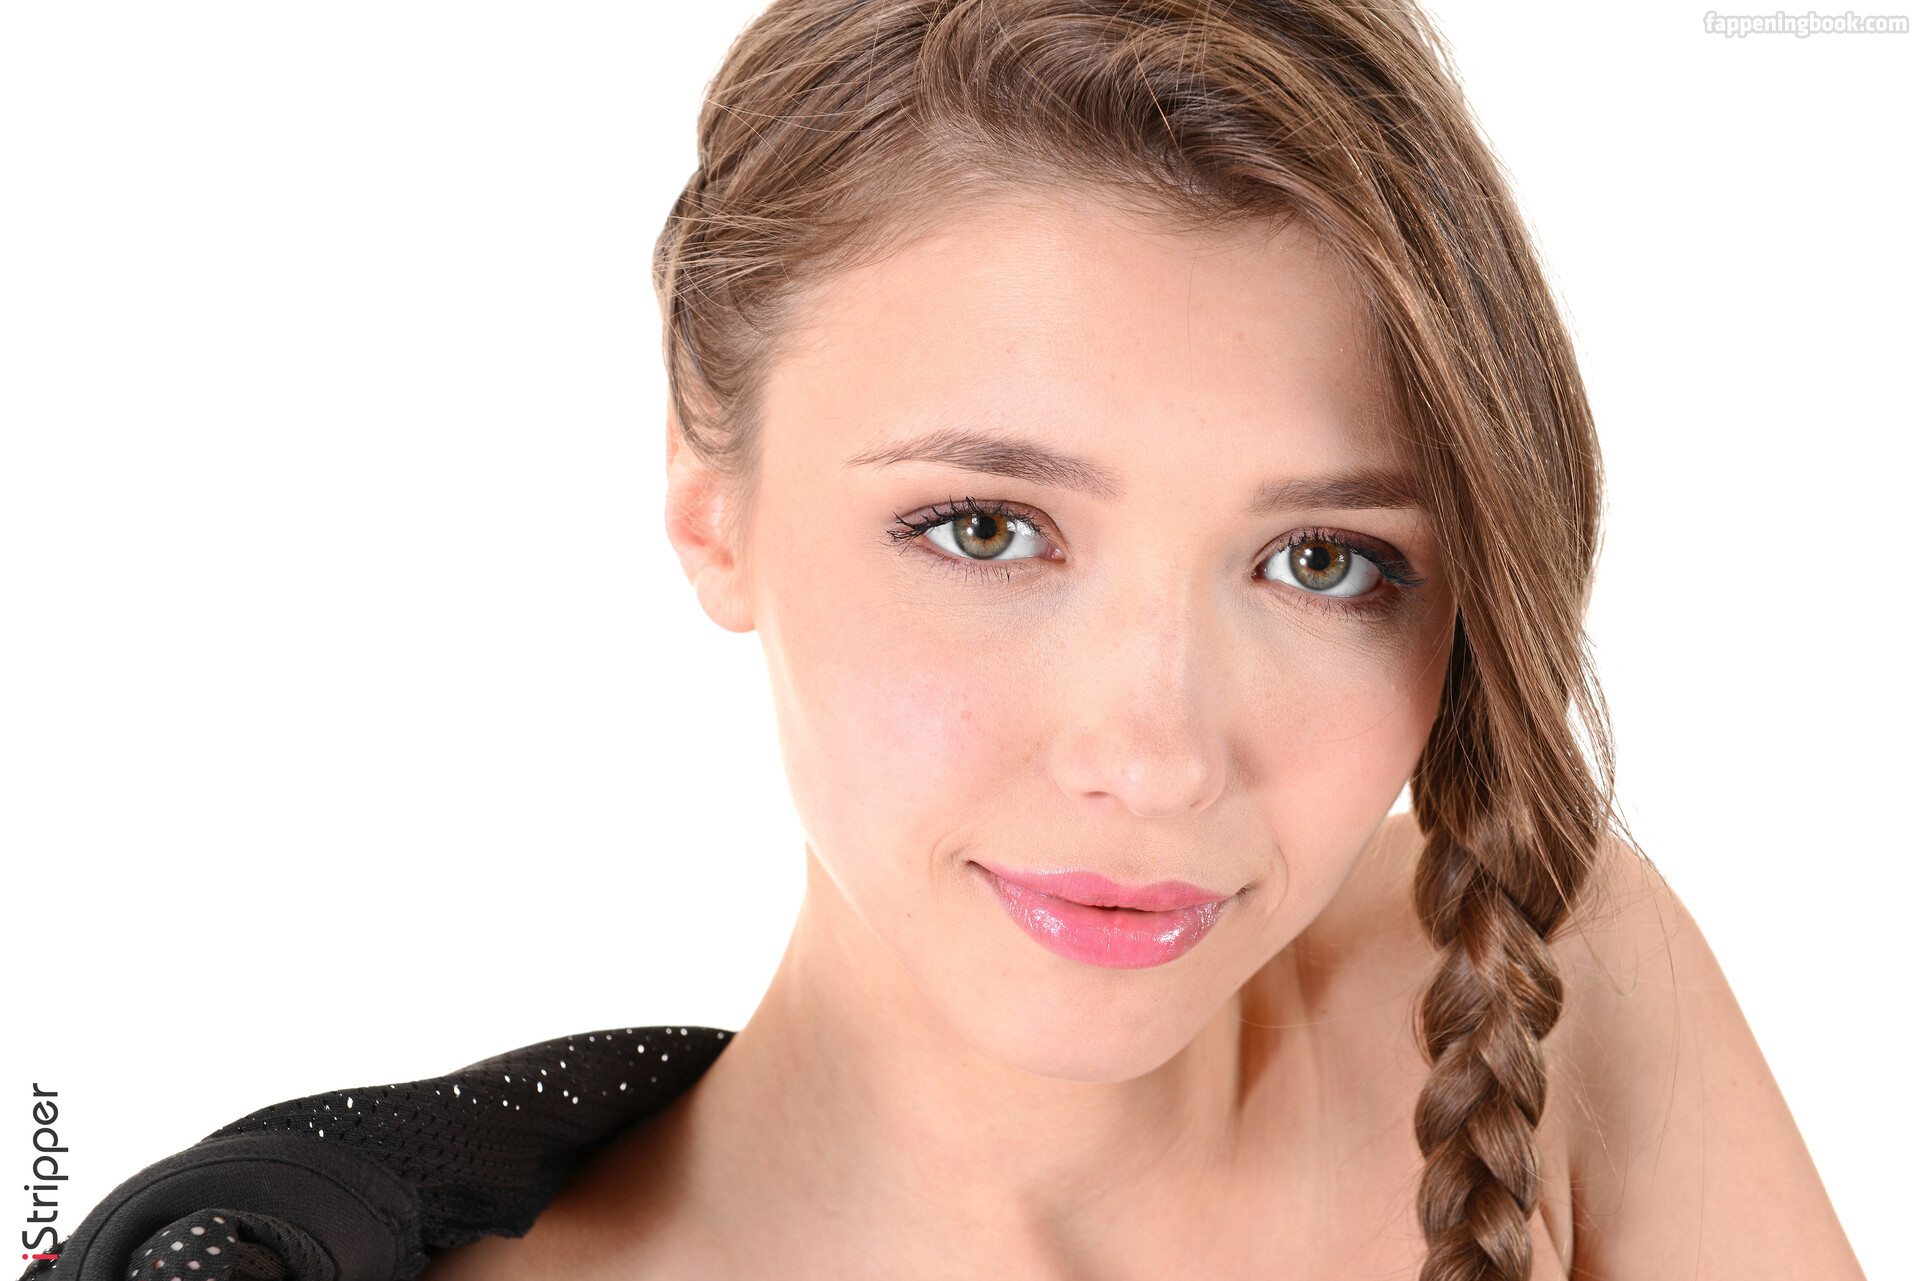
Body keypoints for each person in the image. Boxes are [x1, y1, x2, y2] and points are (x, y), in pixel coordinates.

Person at [33, 2, 1862, 1279]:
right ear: (712, 502)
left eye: (1321, 560)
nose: (1153, 755)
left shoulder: (1538, 979)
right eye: (985, 527)